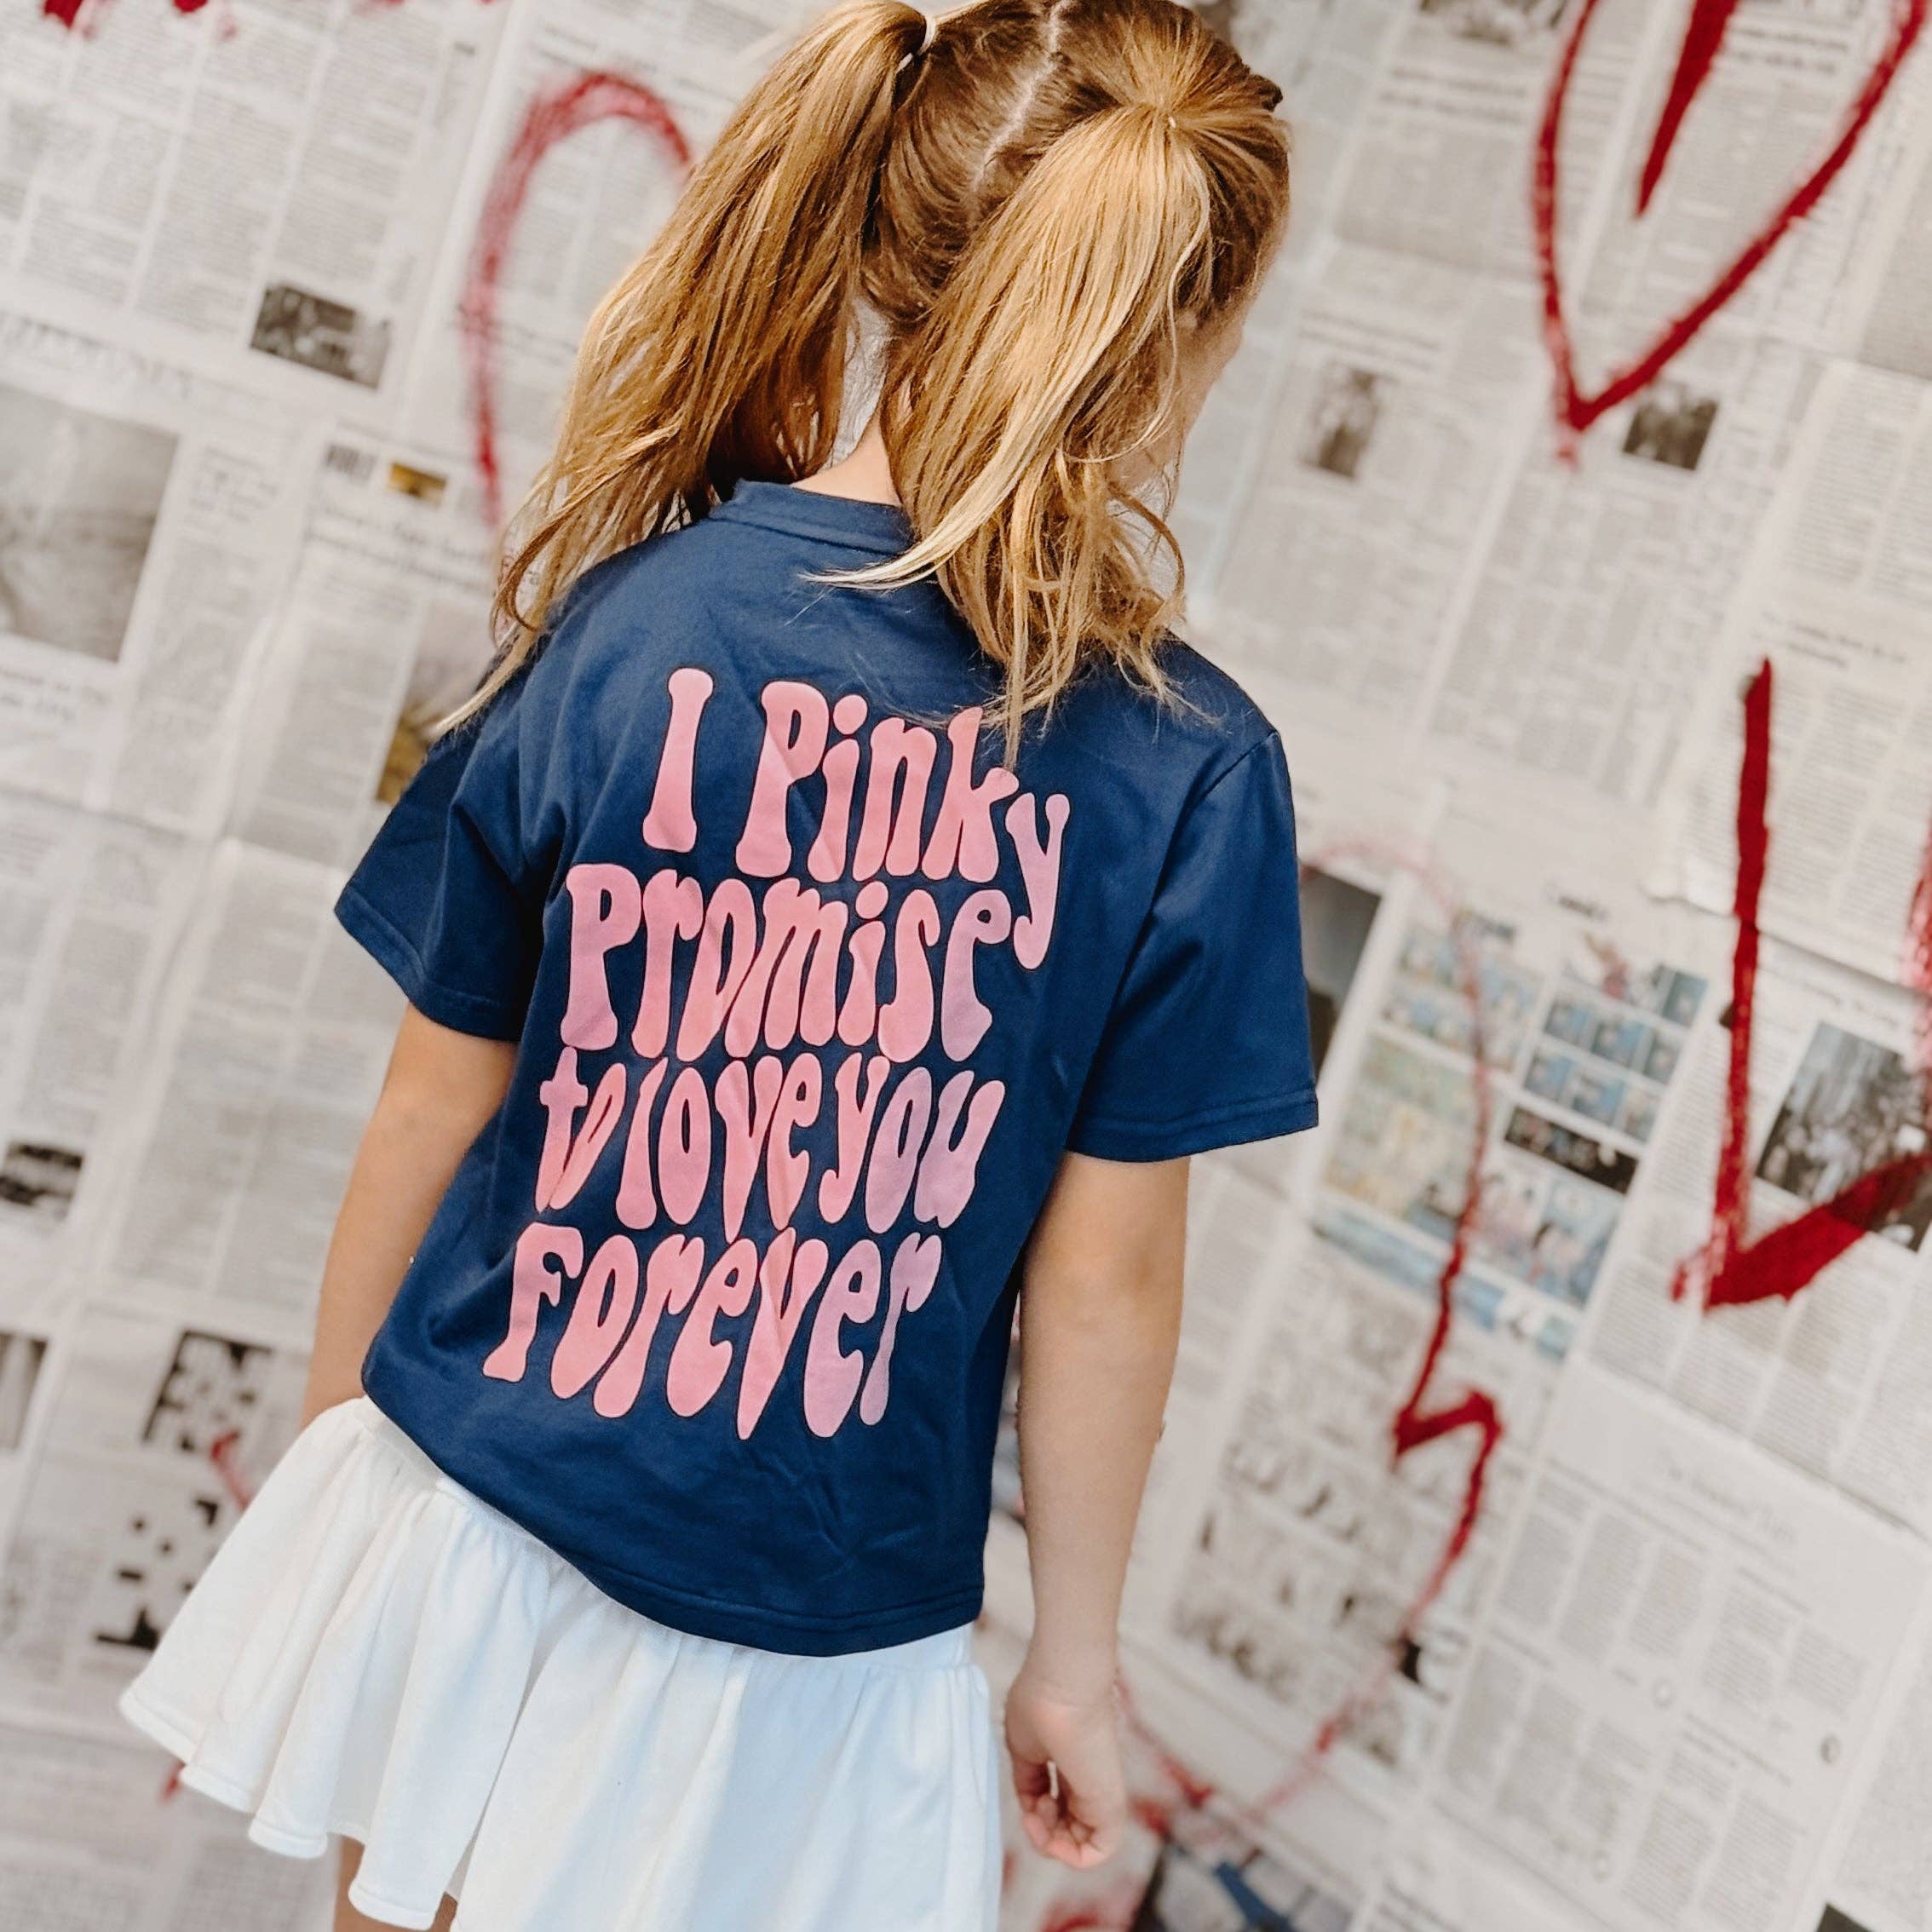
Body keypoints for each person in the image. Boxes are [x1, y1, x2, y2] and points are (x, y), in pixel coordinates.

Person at [118, 3, 1315, 1927]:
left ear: (886, 239)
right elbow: (1106, 1281)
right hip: (813, 1631)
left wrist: (340, 1495)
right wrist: (1074, 1664)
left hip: (479, 1520)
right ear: (1192, 331)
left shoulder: (638, 618)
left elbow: (431, 1098)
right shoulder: (1191, 767)